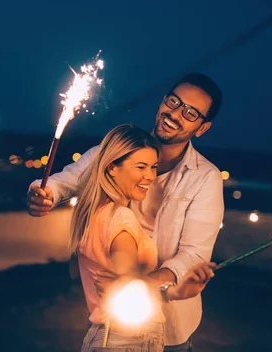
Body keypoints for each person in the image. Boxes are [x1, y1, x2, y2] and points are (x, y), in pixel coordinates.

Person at [27, 73, 224, 350]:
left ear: (202, 128)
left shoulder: (206, 177)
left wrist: (142, 283)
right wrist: (43, 193)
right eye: (174, 101)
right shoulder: (115, 151)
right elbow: (68, 180)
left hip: (171, 325)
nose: (176, 113)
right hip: (116, 320)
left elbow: (194, 253)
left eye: (190, 112)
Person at [71, 124, 216, 352]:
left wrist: (177, 291)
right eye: (141, 167)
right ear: (111, 168)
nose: (150, 176)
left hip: (112, 337)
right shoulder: (121, 219)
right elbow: (127, 287)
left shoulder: (96, 214)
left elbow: (126, 286)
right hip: (127, 341)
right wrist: (174, 291)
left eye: (153, 167)